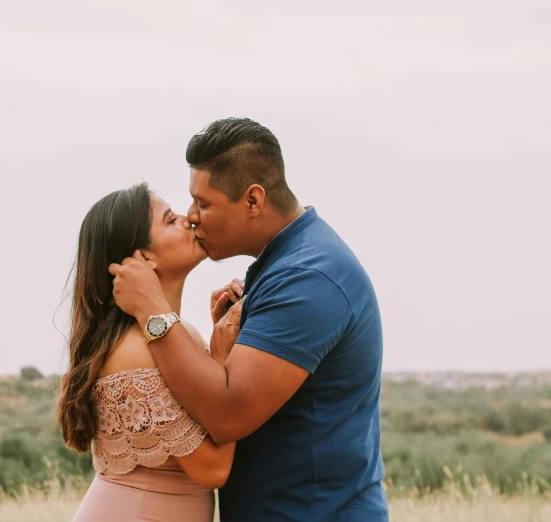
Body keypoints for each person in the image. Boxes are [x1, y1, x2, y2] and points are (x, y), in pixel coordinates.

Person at [109, 118, 388, 521]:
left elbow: (227, 416)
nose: (191, 216)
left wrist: (154, 312)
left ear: (253, 200)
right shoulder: (286, 264)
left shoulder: (308, 277)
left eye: (204, 203)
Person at [57, 183, 241, 522]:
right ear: (144, 259)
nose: (187, 220)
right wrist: (225, 359)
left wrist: (215, 353)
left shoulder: (169, 335)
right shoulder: (137, 351)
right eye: (170, 220)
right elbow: (213, 470)